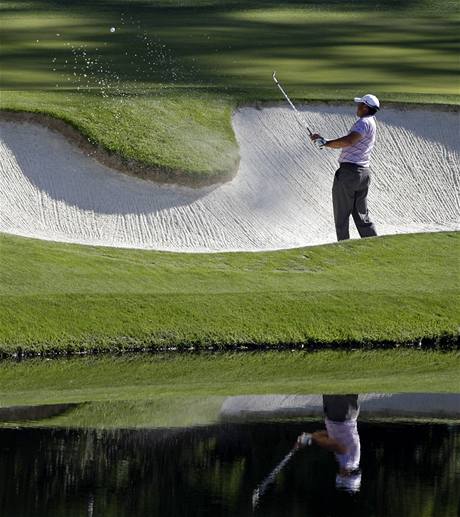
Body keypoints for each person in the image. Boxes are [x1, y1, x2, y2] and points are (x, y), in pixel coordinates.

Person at [310, 95, 380, 241]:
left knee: (341, 216)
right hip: (363, 173)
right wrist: (325, 141)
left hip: (349, 174)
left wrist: (324, 142)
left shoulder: (363, 122)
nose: (357, 107)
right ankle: (375, 246)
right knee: (362, 216)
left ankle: (343, 247)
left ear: (365, 107)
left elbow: (349, 141)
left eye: (359, 104)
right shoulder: (372, 122)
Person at [296, 394, 362, 493]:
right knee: (336, 388)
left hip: (345, 414)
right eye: (341, 475)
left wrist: (309, 437)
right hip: (340, 413)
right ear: (346, 475)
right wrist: (311, 438)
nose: (339, 473)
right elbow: (336, 446)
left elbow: (330, 435)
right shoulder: (347, 463)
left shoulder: (352, 461)